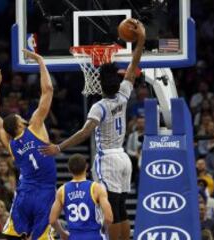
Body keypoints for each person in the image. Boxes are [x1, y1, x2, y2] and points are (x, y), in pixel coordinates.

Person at [40, 19, 146, 240]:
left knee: (113, 210)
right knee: (122, 207)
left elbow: (84, 132)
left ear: (98, 83)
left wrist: (59, 146)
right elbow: (133, 65)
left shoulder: (99, 107)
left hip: (107, 158)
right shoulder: (125, 93)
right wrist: (142, 38)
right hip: (123, 156)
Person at [0, 50, 64, 239]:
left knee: (14, 236)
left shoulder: (11, 143)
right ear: (20, 122)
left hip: (24, 194)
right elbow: (48, 90)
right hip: (44, 194)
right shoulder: (36, 127)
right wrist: (40, 62)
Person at [49, 154, 113, 240]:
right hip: (93, 235)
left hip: (74, 236)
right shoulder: (97, 188)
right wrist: (103, 229)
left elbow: (52, 220)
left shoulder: (62, 190)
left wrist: (62, 233)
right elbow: (109, 218)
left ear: (69, 170)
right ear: (86, 167)